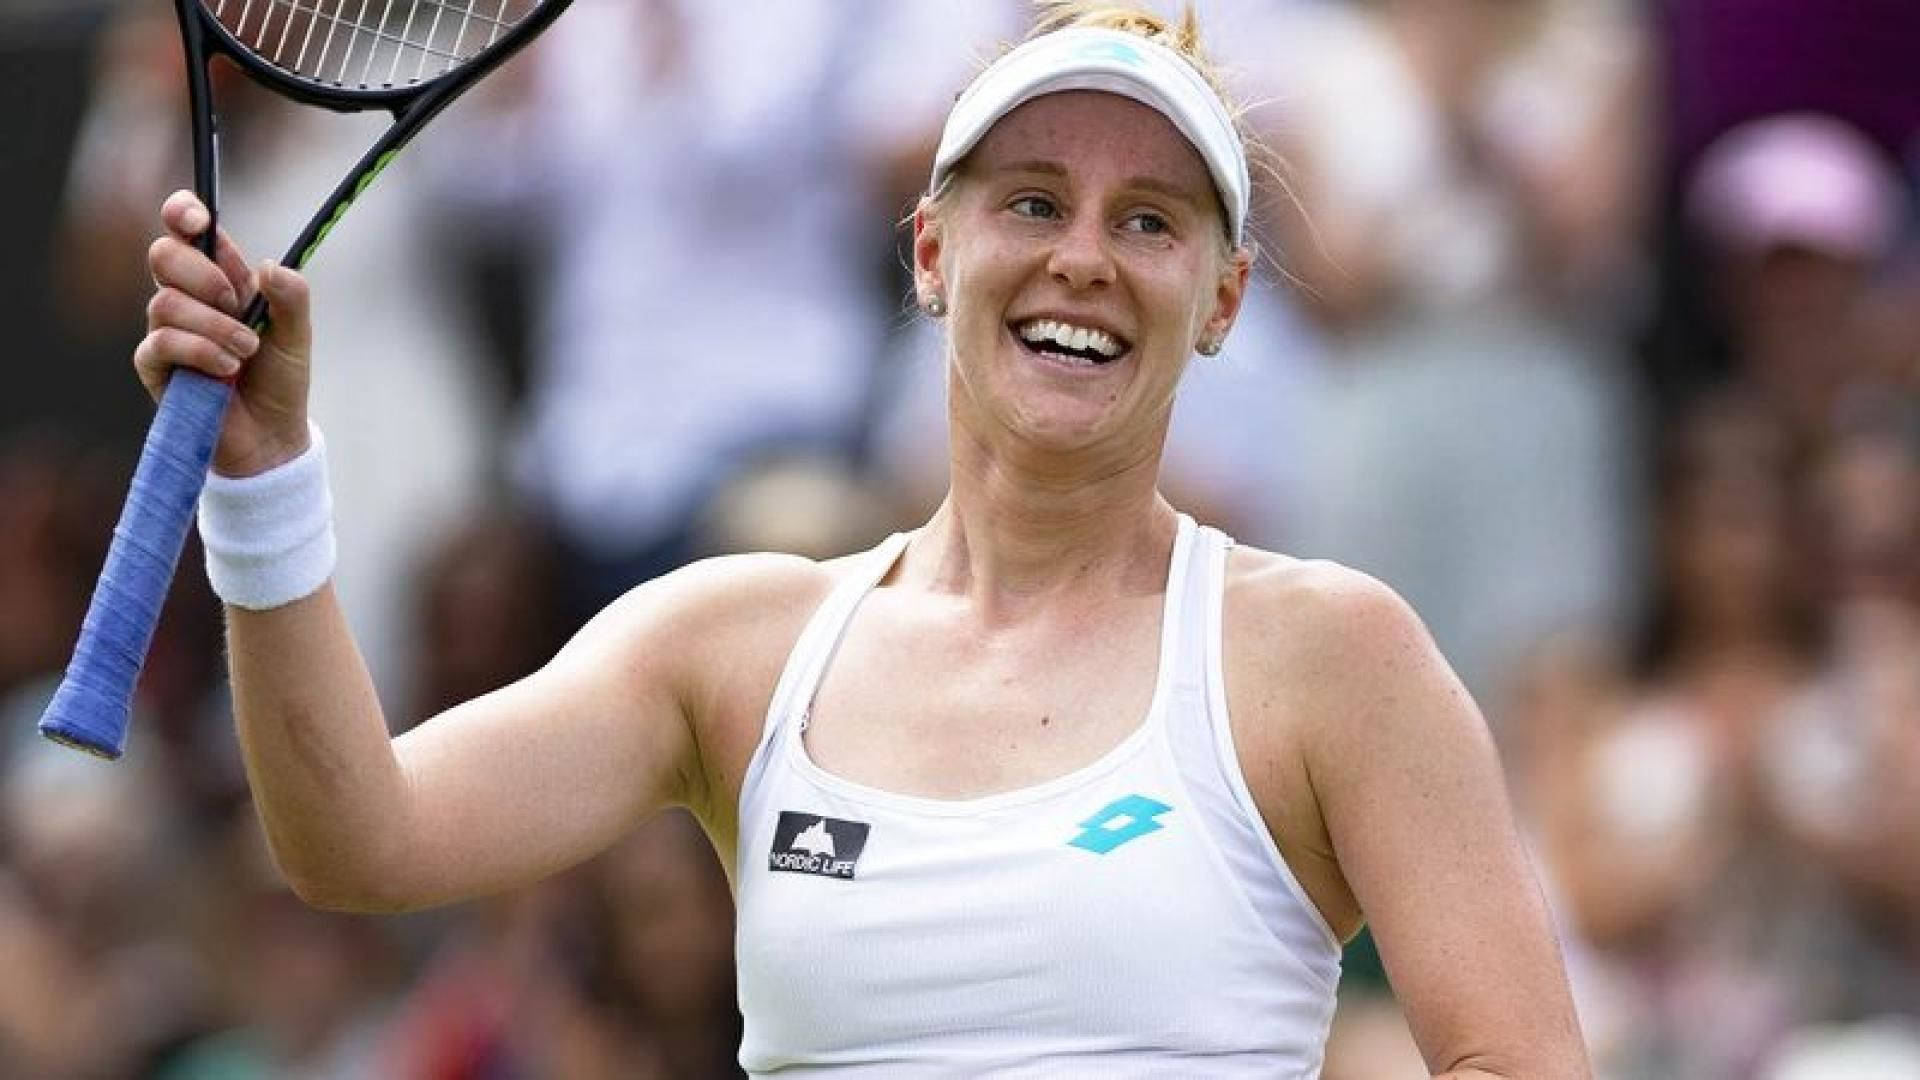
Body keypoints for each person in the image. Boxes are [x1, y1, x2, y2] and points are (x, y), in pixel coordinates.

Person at [133, 3, 1589, 1075]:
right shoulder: (730, 644)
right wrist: (262, 482)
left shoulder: (1332, 656)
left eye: (1150, 221)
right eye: (1032, 200)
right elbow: (354, 836)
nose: (1083, 253)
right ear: (931, 252)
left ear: (1221, 298)